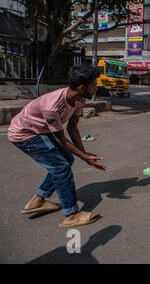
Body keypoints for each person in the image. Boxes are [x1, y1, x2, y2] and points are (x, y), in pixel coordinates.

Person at [8, 64, 106, 228]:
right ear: (82, 87)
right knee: (61, 167)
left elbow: (72, 127)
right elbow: (61, 139)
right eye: (94, 85)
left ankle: (37, 201)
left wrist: (84, 153)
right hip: (24, 134)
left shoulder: (80, 100)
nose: (96, 87)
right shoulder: (52, 106)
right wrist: (86, 158)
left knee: (66, 158)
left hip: (39, 130)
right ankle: (71, 215)